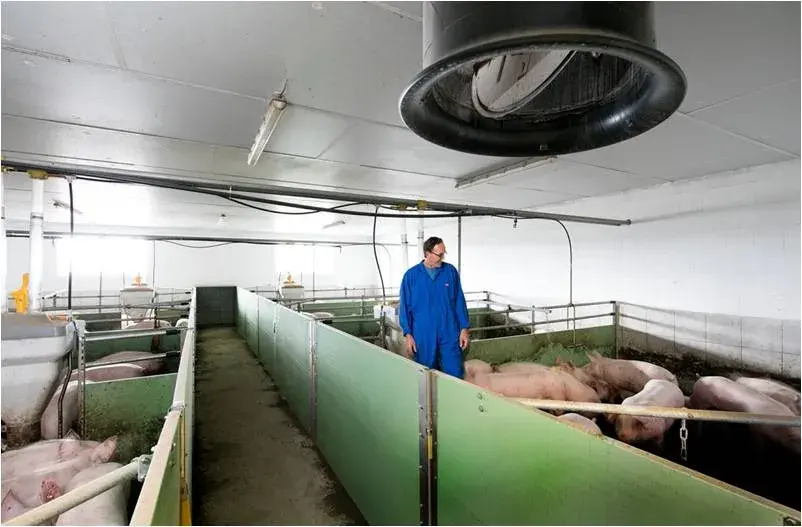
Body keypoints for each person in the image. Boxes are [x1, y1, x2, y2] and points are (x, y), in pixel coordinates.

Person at [398, 236, 470, 378]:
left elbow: (459, 301)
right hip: (423, 332)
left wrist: (464, 328)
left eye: (444, 253)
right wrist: (408, 334)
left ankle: (454, 399)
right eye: (439, 254)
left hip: (449, 329)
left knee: (455, 370)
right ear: (427, 254)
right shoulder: (411, 276)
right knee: (425, 373)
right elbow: (404, 307)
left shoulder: (450, 272)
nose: (442, 257)